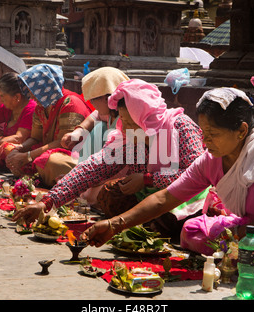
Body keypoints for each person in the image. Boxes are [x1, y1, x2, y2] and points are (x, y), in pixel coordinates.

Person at [81, 87, 254, 278]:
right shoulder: (211, 159)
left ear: (242, 130)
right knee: (191, 231)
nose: (204, 140)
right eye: (203, 132)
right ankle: (237, 256)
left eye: (212, 133)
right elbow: (166, 198)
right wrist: (114, 225)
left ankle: (245, 258)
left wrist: (231, 234)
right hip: (246, 231)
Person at [12, 79, 206, 239]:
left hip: (186, 198)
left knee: (177, 223)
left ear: (146, 116)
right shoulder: (129, 139)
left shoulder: (180, 126)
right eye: (124, 122)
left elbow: (196, 176)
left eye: (131, 122)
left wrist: (147, 179)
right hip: (149, 195)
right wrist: (48, 202)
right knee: (110, 194)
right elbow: (93, 168)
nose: (126, 128)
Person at [5, 64, 93, 187]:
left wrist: (27, 156)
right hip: (47, 152)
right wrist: (19, 149)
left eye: (32, 90)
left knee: (52, 161)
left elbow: (63, 143)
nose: (30, 96)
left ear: (44, 87)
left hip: (74, 157)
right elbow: (35, 138)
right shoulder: (40, 107)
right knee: (12, 152)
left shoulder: (70, 103)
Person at [60, 66, 129, 204]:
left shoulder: (126, 120)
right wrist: (78, 131)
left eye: (93, 99)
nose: (91, 103)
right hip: (105, 170)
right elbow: (94, 116)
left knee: (91, 196)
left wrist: (87, 181)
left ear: (106, 98)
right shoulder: (109, 114)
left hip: (124, 175)